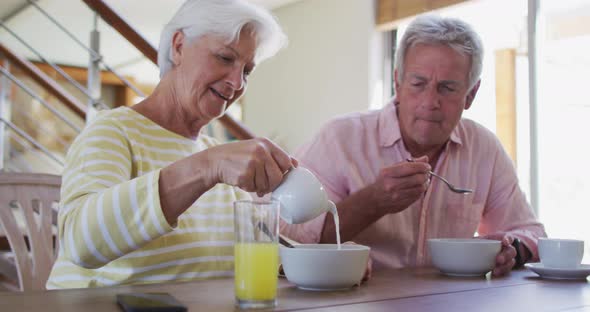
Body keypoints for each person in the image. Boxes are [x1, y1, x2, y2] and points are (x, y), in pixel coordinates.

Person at [47, 0, 296, 289]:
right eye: (225, 58)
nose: (237, 82)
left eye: (247, 71)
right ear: (178, 47)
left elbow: (248, 250)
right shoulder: (113, 131)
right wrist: (206, 166)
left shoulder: (216, 154)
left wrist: (318, 261)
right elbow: (81, 243)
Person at [280, 15, 546, 277]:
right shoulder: (339, 139)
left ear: (471, 94)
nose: (430, 101)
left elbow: (531, 234)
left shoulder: (484, 149)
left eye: (447, 88)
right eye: (418, 84)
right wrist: (374, 201)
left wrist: (513, 251)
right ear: (397, 82)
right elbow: (287, 240)